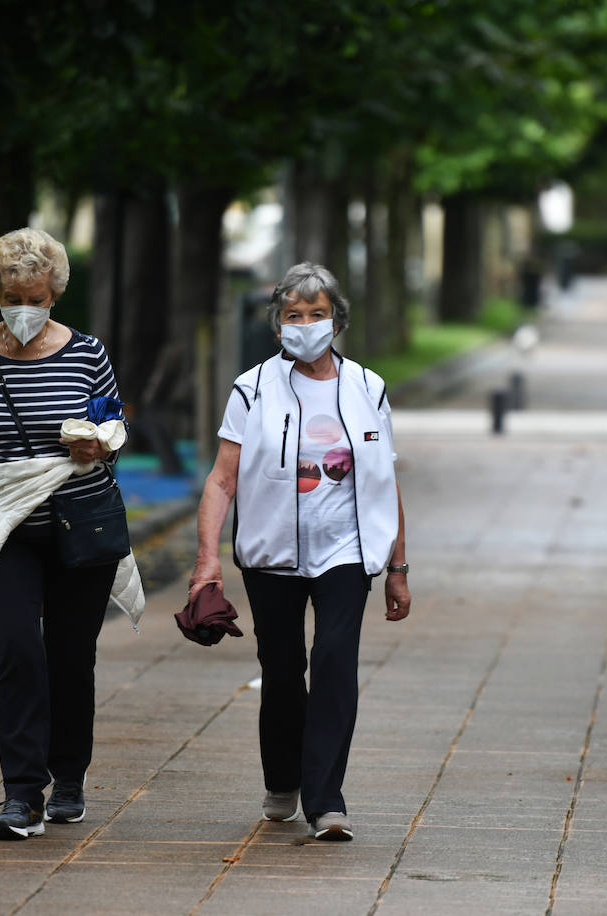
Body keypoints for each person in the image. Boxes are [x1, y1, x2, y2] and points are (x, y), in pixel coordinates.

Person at [191, 262, 412, 842]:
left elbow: (385, 482)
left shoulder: (368, 387)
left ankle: (326, 800)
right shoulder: (252, 387)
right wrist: (207, 560)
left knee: (336, 662)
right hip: (271, 554)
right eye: (294, 315)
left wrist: (397, 567)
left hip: (347, 551)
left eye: (317, 314)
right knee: (284, 671)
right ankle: (283, 778)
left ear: (337, 320)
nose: (306, 324)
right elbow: (221, 480)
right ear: (277, 325)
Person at [0, 228, 133, 841]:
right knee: (18, 652)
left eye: (39, 298)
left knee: (71, 658)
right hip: (6, 531)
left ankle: (69, 777)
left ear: (55, 295)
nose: (26, 308)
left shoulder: (87, 353)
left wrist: (95, 445)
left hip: (79, 525)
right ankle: (21, 794)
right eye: (14, 296)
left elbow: (114, 432)